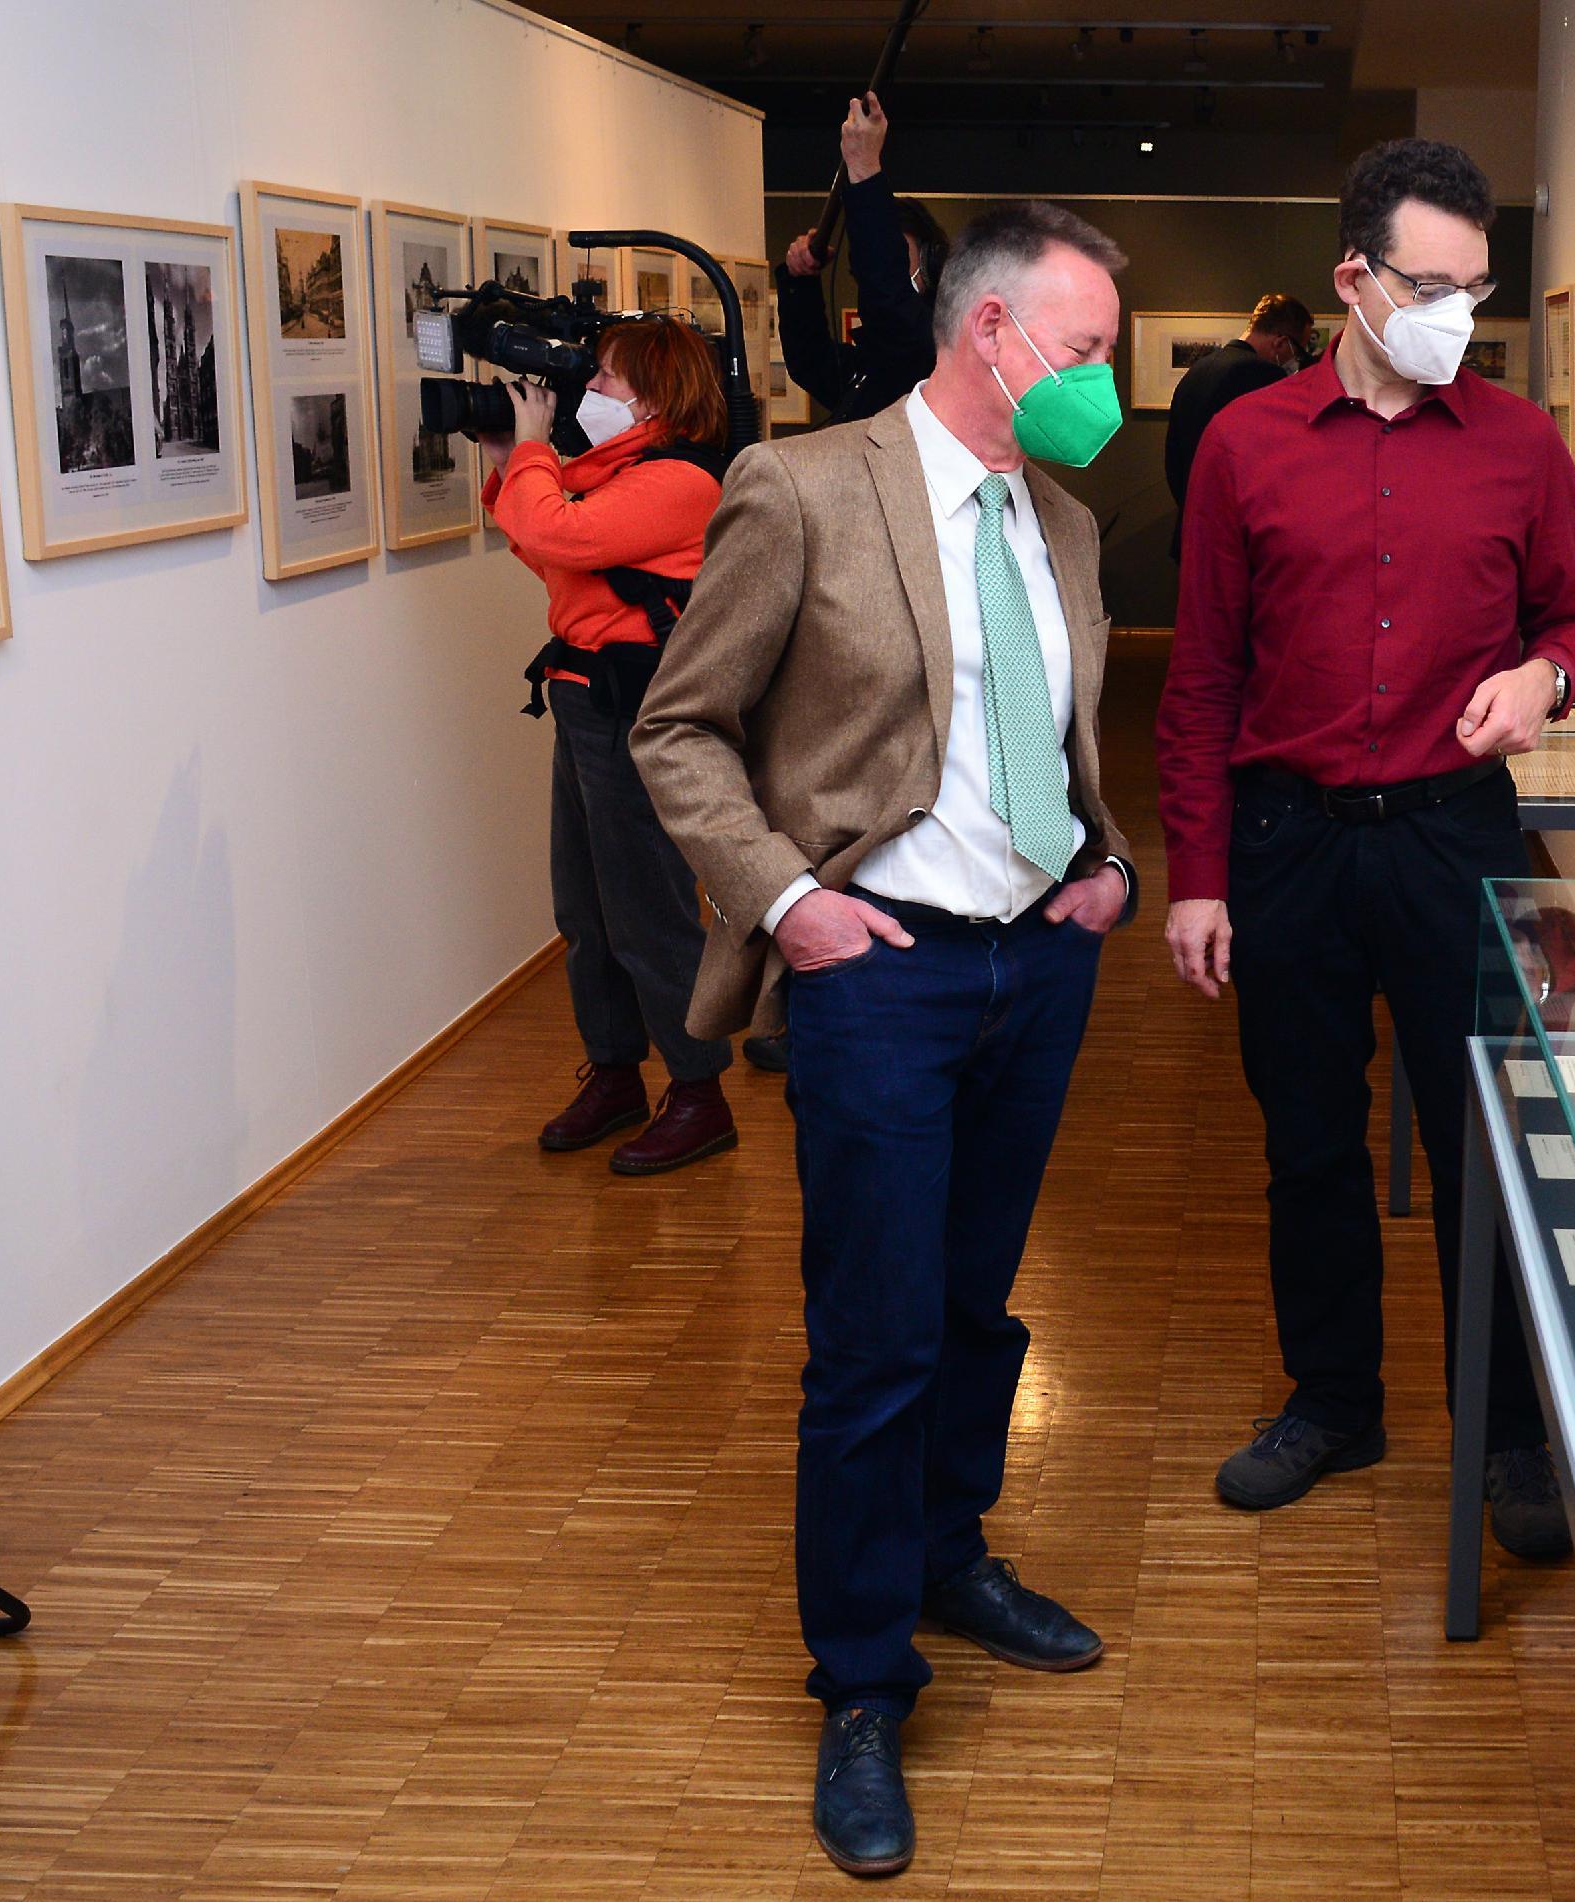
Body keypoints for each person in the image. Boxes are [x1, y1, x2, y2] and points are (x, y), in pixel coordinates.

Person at [633, 201, 1137, 1882]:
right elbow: (681, 727)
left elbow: (1053, 731)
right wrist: (791, 907)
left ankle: (947, 1551)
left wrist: (1108, 861)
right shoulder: (802, 489)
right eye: (1084, 352)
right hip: (880, 972)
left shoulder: (1061, 520)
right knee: (870, 1338)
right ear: (987, 334)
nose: (1105, 385)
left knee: (975, 1301)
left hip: (1035, 970)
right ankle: (860, 1678)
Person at [1156, 139, 1575, 1561]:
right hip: (1290, 838)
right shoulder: (1248, 444)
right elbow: (1202, 677)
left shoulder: (1522, 445)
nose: (1459, 313)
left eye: (1478, 287)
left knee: (1487, 1146)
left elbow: (1573, 627)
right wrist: (1203, 871)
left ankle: (1513, 1432)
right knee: (1307, 1141)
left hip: (1452, 834)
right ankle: (1337, 1398)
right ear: (1355, 280)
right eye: (1432, 284)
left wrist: (1547, 681)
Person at [477, 315, 737, 1176]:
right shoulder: (614, 471)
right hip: (583, 699)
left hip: (637, 714)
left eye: (606, 382)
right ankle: (618, 1072)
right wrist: (507, 456)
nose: (587, 393)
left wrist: (528, 449)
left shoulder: (678, 481)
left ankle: (699, 1093)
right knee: (584, 908)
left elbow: (560, 535)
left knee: (646, 910)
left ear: (658, 394)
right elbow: (550, 555)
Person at [753, 88, 949, 1080]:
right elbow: (824, 372)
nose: (886, 277)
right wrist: (798, 285)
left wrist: (867, 185)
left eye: (900, 261)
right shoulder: (884, 361)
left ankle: (850, 977)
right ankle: (801, 981)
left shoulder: (930, 351)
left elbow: (901, 320)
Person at [776, 91, 947, 428]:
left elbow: (887, 296)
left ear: (930, 260)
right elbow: (810, 362)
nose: (883, 265)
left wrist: (865, 169)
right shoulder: (872, 366)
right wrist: (800, 282)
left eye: (896, 253)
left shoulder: (936, 347)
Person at [1163, 292, 1313, 507]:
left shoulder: (1198, 369)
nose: (1296, 360)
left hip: (1190, 510)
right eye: (1298, 351)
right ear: (1281, 342)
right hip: (1235, 514)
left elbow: (1174, 456)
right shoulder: (1264, 375)